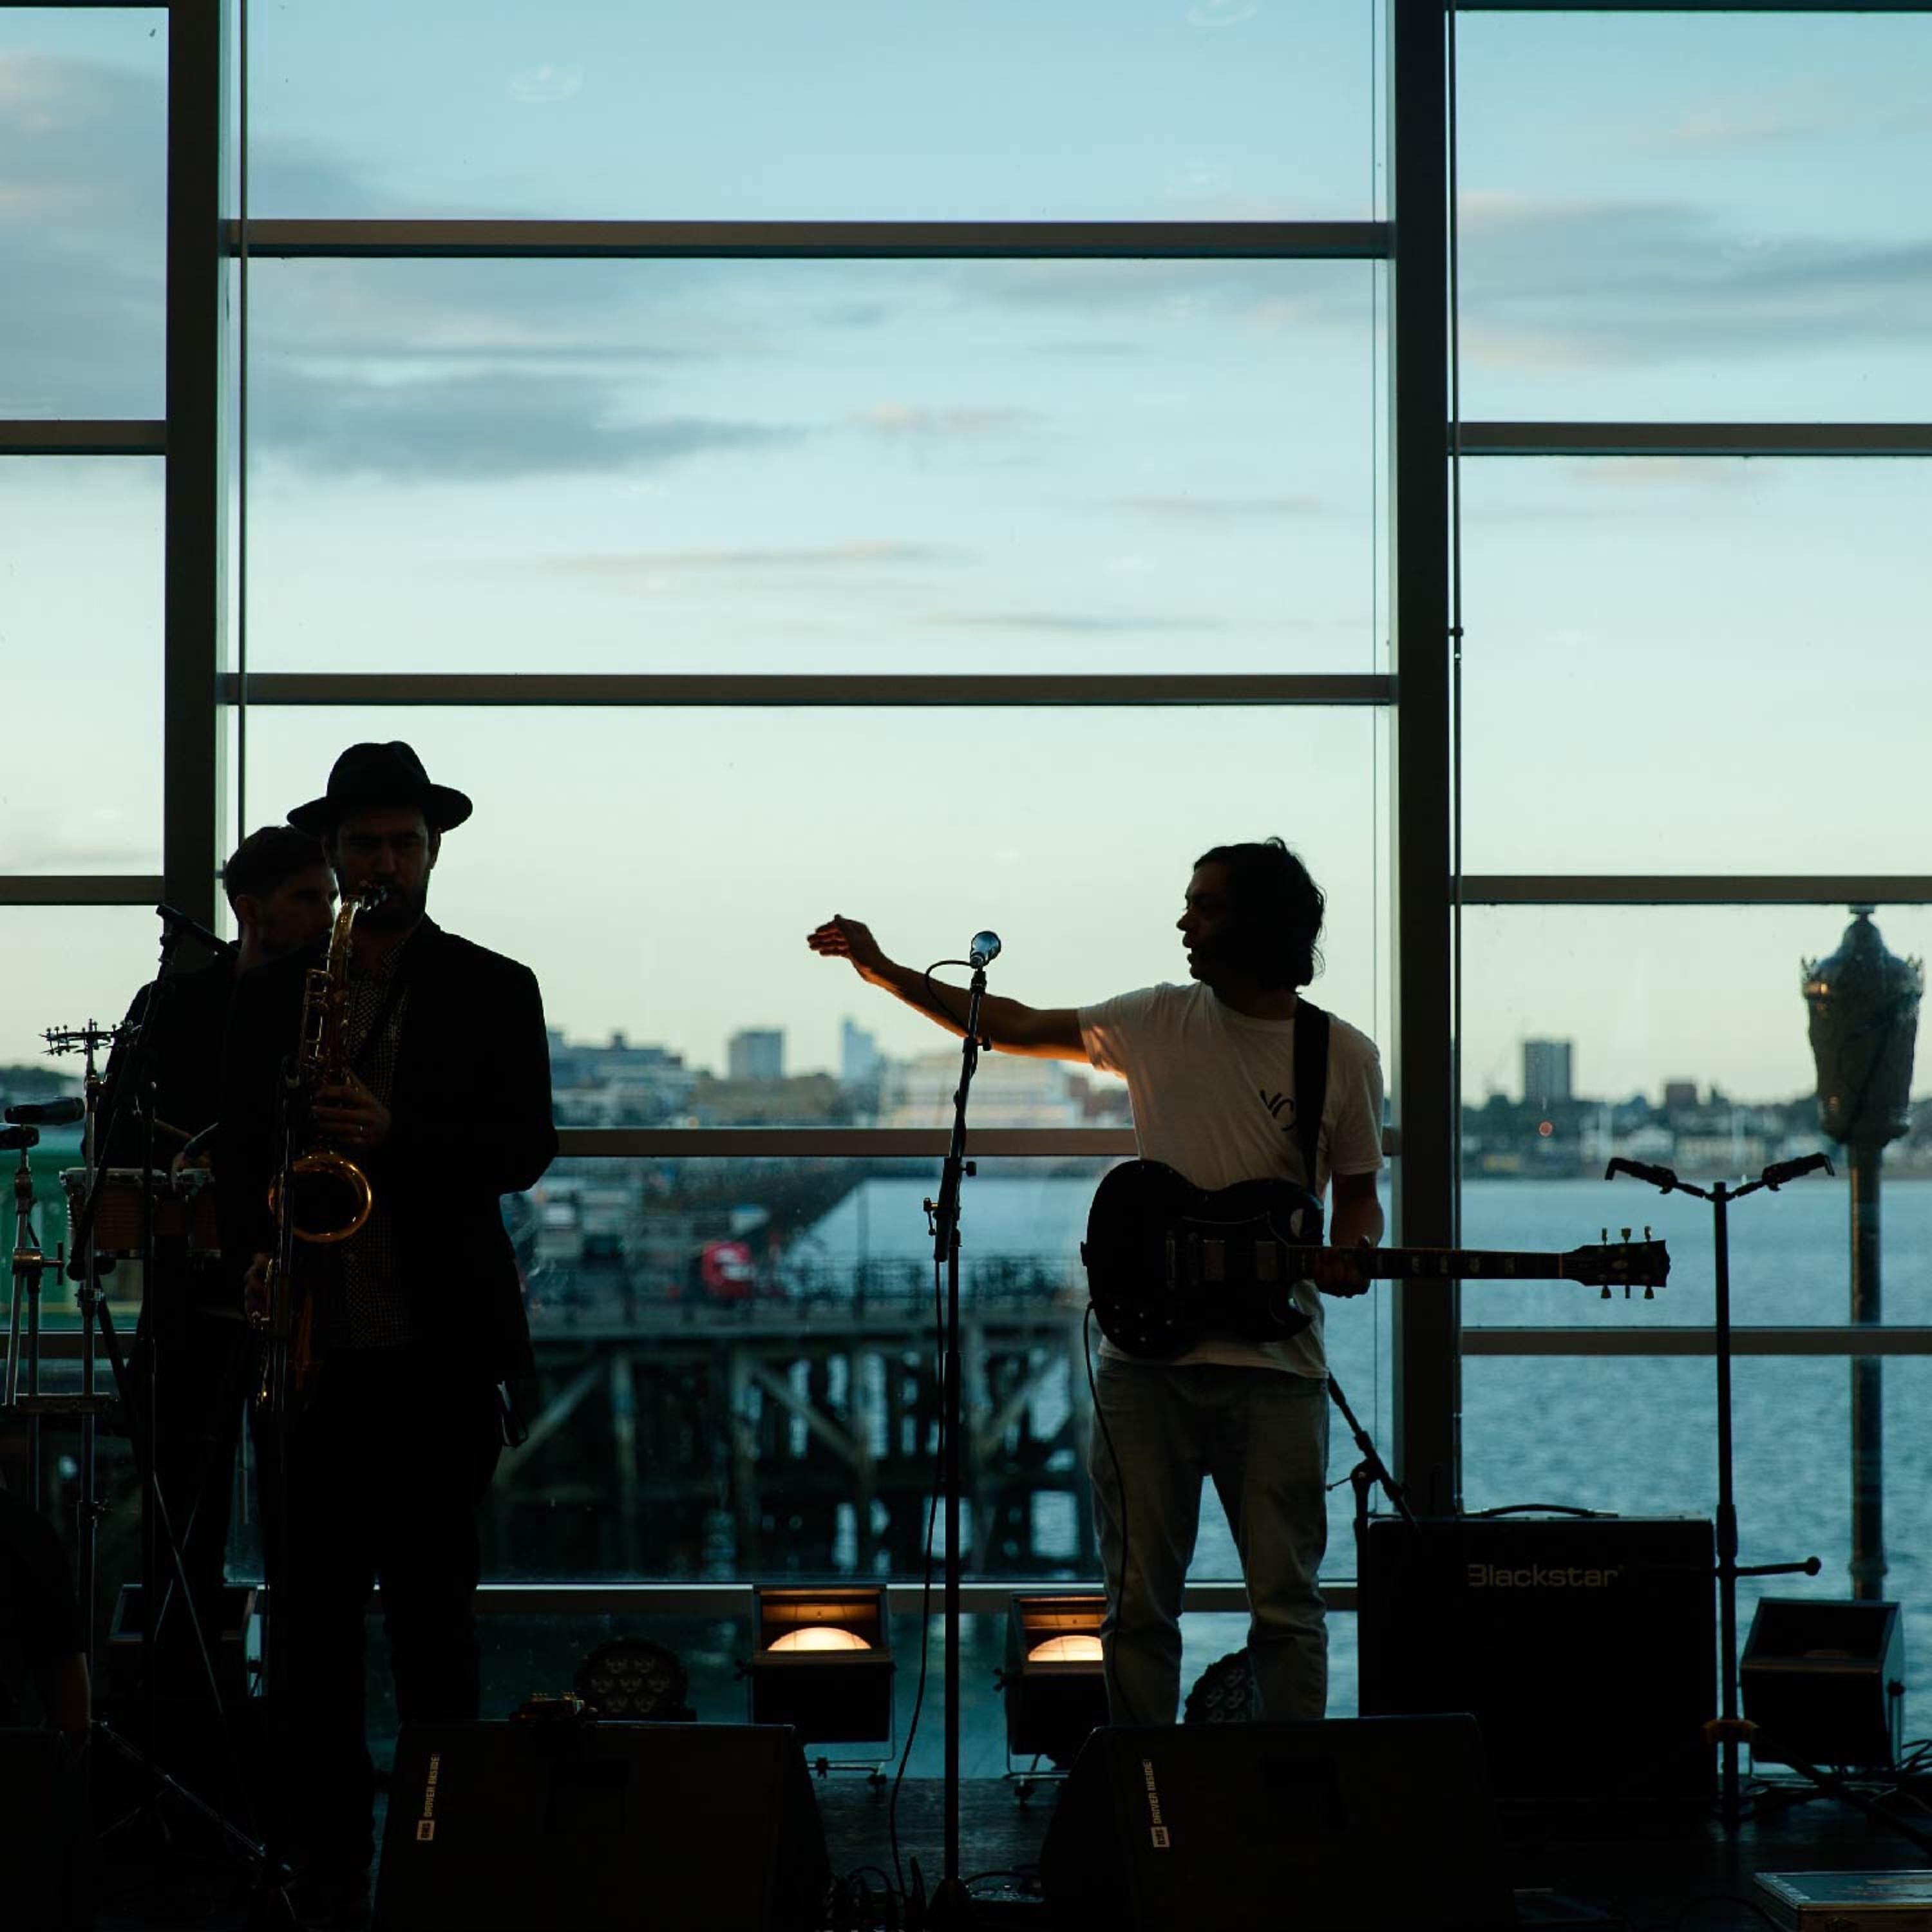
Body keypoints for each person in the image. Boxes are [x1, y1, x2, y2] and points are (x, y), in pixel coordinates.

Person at [808, 838, 1384, 1726]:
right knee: (1137, 1608)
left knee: (1287, 1608)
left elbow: (1359, 1200)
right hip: (1144, 1363)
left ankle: (1290, 1803)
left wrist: (1352, 1252)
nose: (1184, 920)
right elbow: (1012, 1024)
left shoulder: (1339, 1053)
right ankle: (1144, 1802)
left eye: (1206, 906)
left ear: (1259, 923)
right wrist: (884, 971)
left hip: (1277, 1369)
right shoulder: (1157, 1018)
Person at [217, 741, 556, 1928]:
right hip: (306, 1356)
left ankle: (442, 1857)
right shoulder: (269, 992)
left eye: (404, 842)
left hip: (435, 1354)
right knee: (309, 1642)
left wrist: (397, 1134)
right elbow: (229, 1161)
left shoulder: (492, 985)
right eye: (362, 844)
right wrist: (251, 1259)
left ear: (435, 849)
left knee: (433, 1625)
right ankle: (325, 1871)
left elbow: (523, 1152)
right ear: (334, 853)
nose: (384, 861)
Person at [94, 827, 336, 1707]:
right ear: (249, 906)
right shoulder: (169, 1005)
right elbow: (114, 1137)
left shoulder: (330, 1002)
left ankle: (292, 1731)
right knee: (179, 1516)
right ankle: (185, 1717)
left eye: (330, 898)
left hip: (300, 1297)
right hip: (195, 1291)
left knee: (306, 1529)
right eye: (309, 898)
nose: (327, 917)